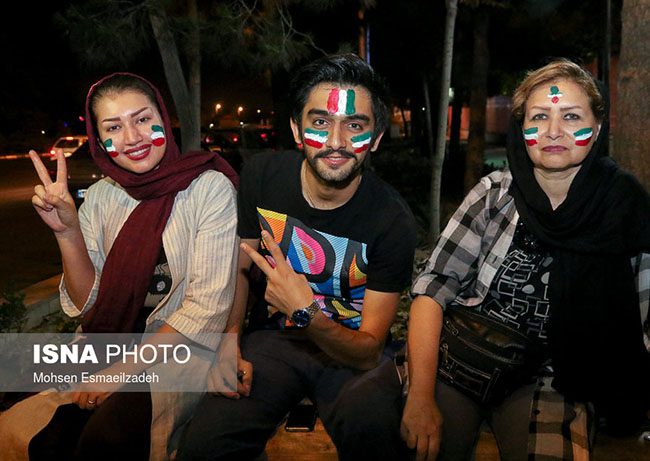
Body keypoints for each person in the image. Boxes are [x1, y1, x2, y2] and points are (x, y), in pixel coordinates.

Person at [400, 59, 650, 461]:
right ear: (522, 128)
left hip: (556, 378)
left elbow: (644, 315)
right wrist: (420, 397)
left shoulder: (624, 205)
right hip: (464, 358)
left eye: (571, 116)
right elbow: (432, 290)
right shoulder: (494, 194)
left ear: (599, 126)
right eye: (539, 116)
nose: (553, 131)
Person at [176, 54, 417, 460]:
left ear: (375, 138)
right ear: (296, 130)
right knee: (205, 445)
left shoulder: (392, 221)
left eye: (354, 126)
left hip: (349, 354)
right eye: (320, 122)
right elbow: (241, 265)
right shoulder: (262, 176)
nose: (336, 141)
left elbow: (369, 350)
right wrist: (229, 340)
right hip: (273, 343)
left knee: (374, 433)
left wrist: (307, 313)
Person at [0, 73, 239, 460]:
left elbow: (207, 308)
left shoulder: (209, 189)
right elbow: (87, 305)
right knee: (40, 437)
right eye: (113, 127)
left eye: (142, 119)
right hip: (104, 345)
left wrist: (120, 371)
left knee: (106, 440)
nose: (132, 137)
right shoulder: (100, 197)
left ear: (163, 119)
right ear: (99, 140)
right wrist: (67, 233)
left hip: (179, 352)